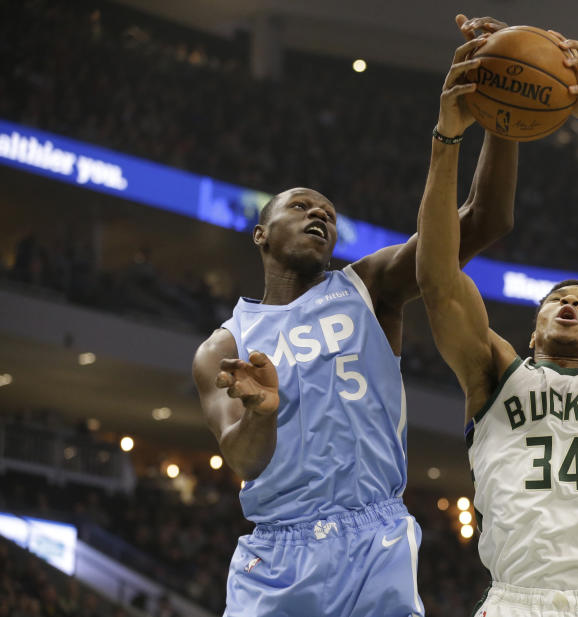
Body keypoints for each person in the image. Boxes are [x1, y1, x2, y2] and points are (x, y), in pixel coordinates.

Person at [191, 16, 516, 617]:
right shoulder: (224, 347)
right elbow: (242, 460)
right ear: (261, 234)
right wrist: (263, 413)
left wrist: (503, 117)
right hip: (276, 557)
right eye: (301, 206)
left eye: (329, 213)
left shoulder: (369, 288)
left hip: (376, 541)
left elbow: (484, 219)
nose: (320, 215)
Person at [415, 32, 578, 617]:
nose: (569, 303)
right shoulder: (493, 376)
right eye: (556, 298)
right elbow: (436, 280)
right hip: (513, 601)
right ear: (531, 333)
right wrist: (448, 136)